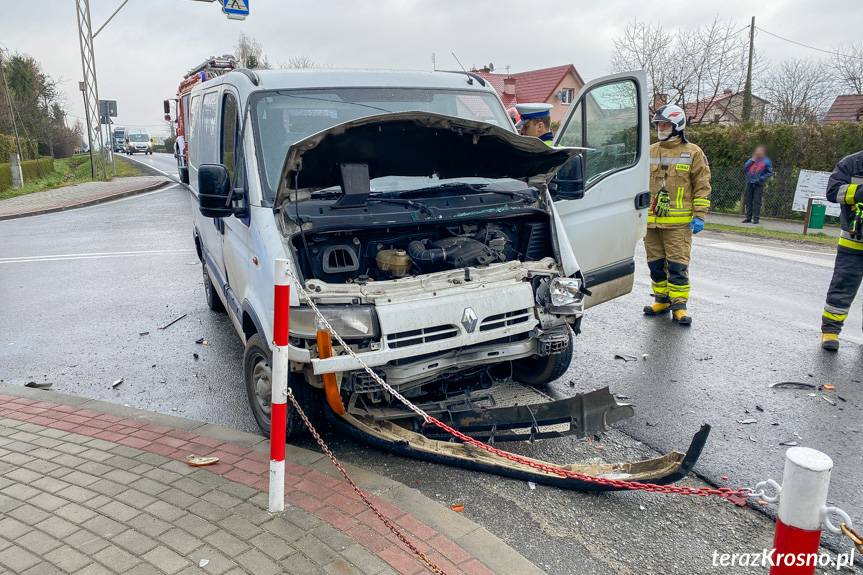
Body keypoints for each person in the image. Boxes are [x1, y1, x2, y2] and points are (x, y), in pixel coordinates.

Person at [643, 104, 712, 326]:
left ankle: (679, 306)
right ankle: (661, 300)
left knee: (677, 266)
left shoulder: (693, 152)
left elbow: (702, 186)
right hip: (651, 223)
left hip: (678, 225)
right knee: (655, 265)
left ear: (677, 126)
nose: (660, 128)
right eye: (658, 124)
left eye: (665, 124)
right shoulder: (649, 151)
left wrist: (699, 215)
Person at [820, 150, 863, 351]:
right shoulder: (851, 163)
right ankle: (830, 332)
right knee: (842, 288)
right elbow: (832, 191)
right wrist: (858, 192)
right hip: (853, 243)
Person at [742, 145, 773, 224]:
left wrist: (761, 178)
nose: (757, 152)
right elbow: (745, 168)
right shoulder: (752, 159)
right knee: (748, 200)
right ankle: (748, 218)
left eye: (759, 151)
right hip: (749, 182)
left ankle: (756, 219)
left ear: (763, 152)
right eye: (757, 151)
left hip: (758, 184)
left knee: (757, 201)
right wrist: (751, 160)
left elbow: (769, 172)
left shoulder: (767, 161)